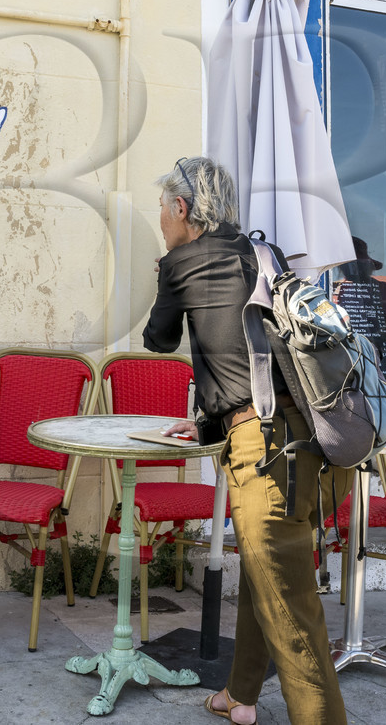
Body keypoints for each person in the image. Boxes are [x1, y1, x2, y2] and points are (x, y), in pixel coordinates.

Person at [142, 157, 346, 725]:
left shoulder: (180, 262)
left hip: (261, 450)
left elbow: (158, 340)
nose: (160, 217)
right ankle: (240, 696)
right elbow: (253, 353)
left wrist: (163, 272)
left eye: (163, 207)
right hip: (309, 438)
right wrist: (209, 423)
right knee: (269, 572)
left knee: (290, 604)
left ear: (182, 209)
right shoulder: (263, 253)